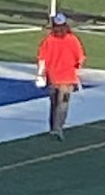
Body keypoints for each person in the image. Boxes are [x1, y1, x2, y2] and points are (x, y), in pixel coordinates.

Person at [35, 12, 85, 140]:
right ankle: (58, 128)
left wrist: (41, 74)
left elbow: (41, 59)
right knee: (62, 104)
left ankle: (53, 127)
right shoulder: (72, 39)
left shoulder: (48, 40)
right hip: (67, 79)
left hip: (53, 77)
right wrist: (77, 69)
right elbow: (80, 58)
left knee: (54, 103)